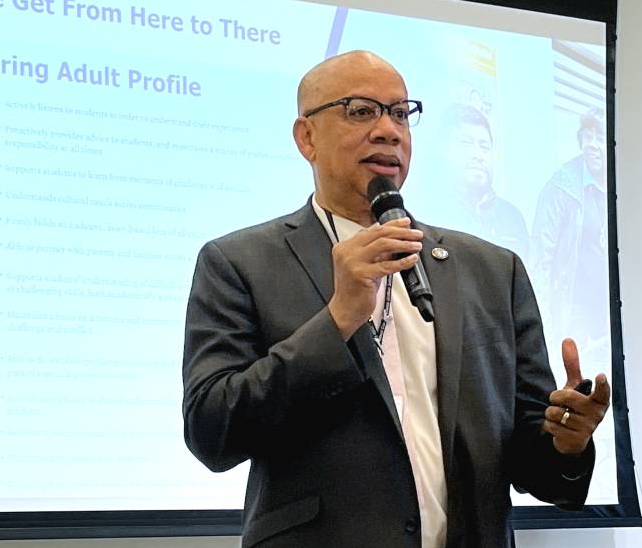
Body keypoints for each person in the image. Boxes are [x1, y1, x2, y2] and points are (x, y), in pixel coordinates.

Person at [182, 51, 609, 548]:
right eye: (361, 111)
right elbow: (213, 431)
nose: (388, 130)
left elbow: (535, 462)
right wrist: (338, 319)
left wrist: (567, 442)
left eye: (401, 113)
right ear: (306, 137)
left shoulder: (493, 271)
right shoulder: (239, 262)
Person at [531, 108, 609, 357]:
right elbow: (540, 262)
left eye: (600, 137)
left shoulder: (621, 183)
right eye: (588, 137)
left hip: (610, 315)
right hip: (574, 315)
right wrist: (548, 332)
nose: (593, 145)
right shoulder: (560, 188)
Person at [430, 104, 529, 258]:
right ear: (444, 150)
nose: (478, 155)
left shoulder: (513, 218)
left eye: (484, 147)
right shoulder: (430, 211)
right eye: (466, 144)